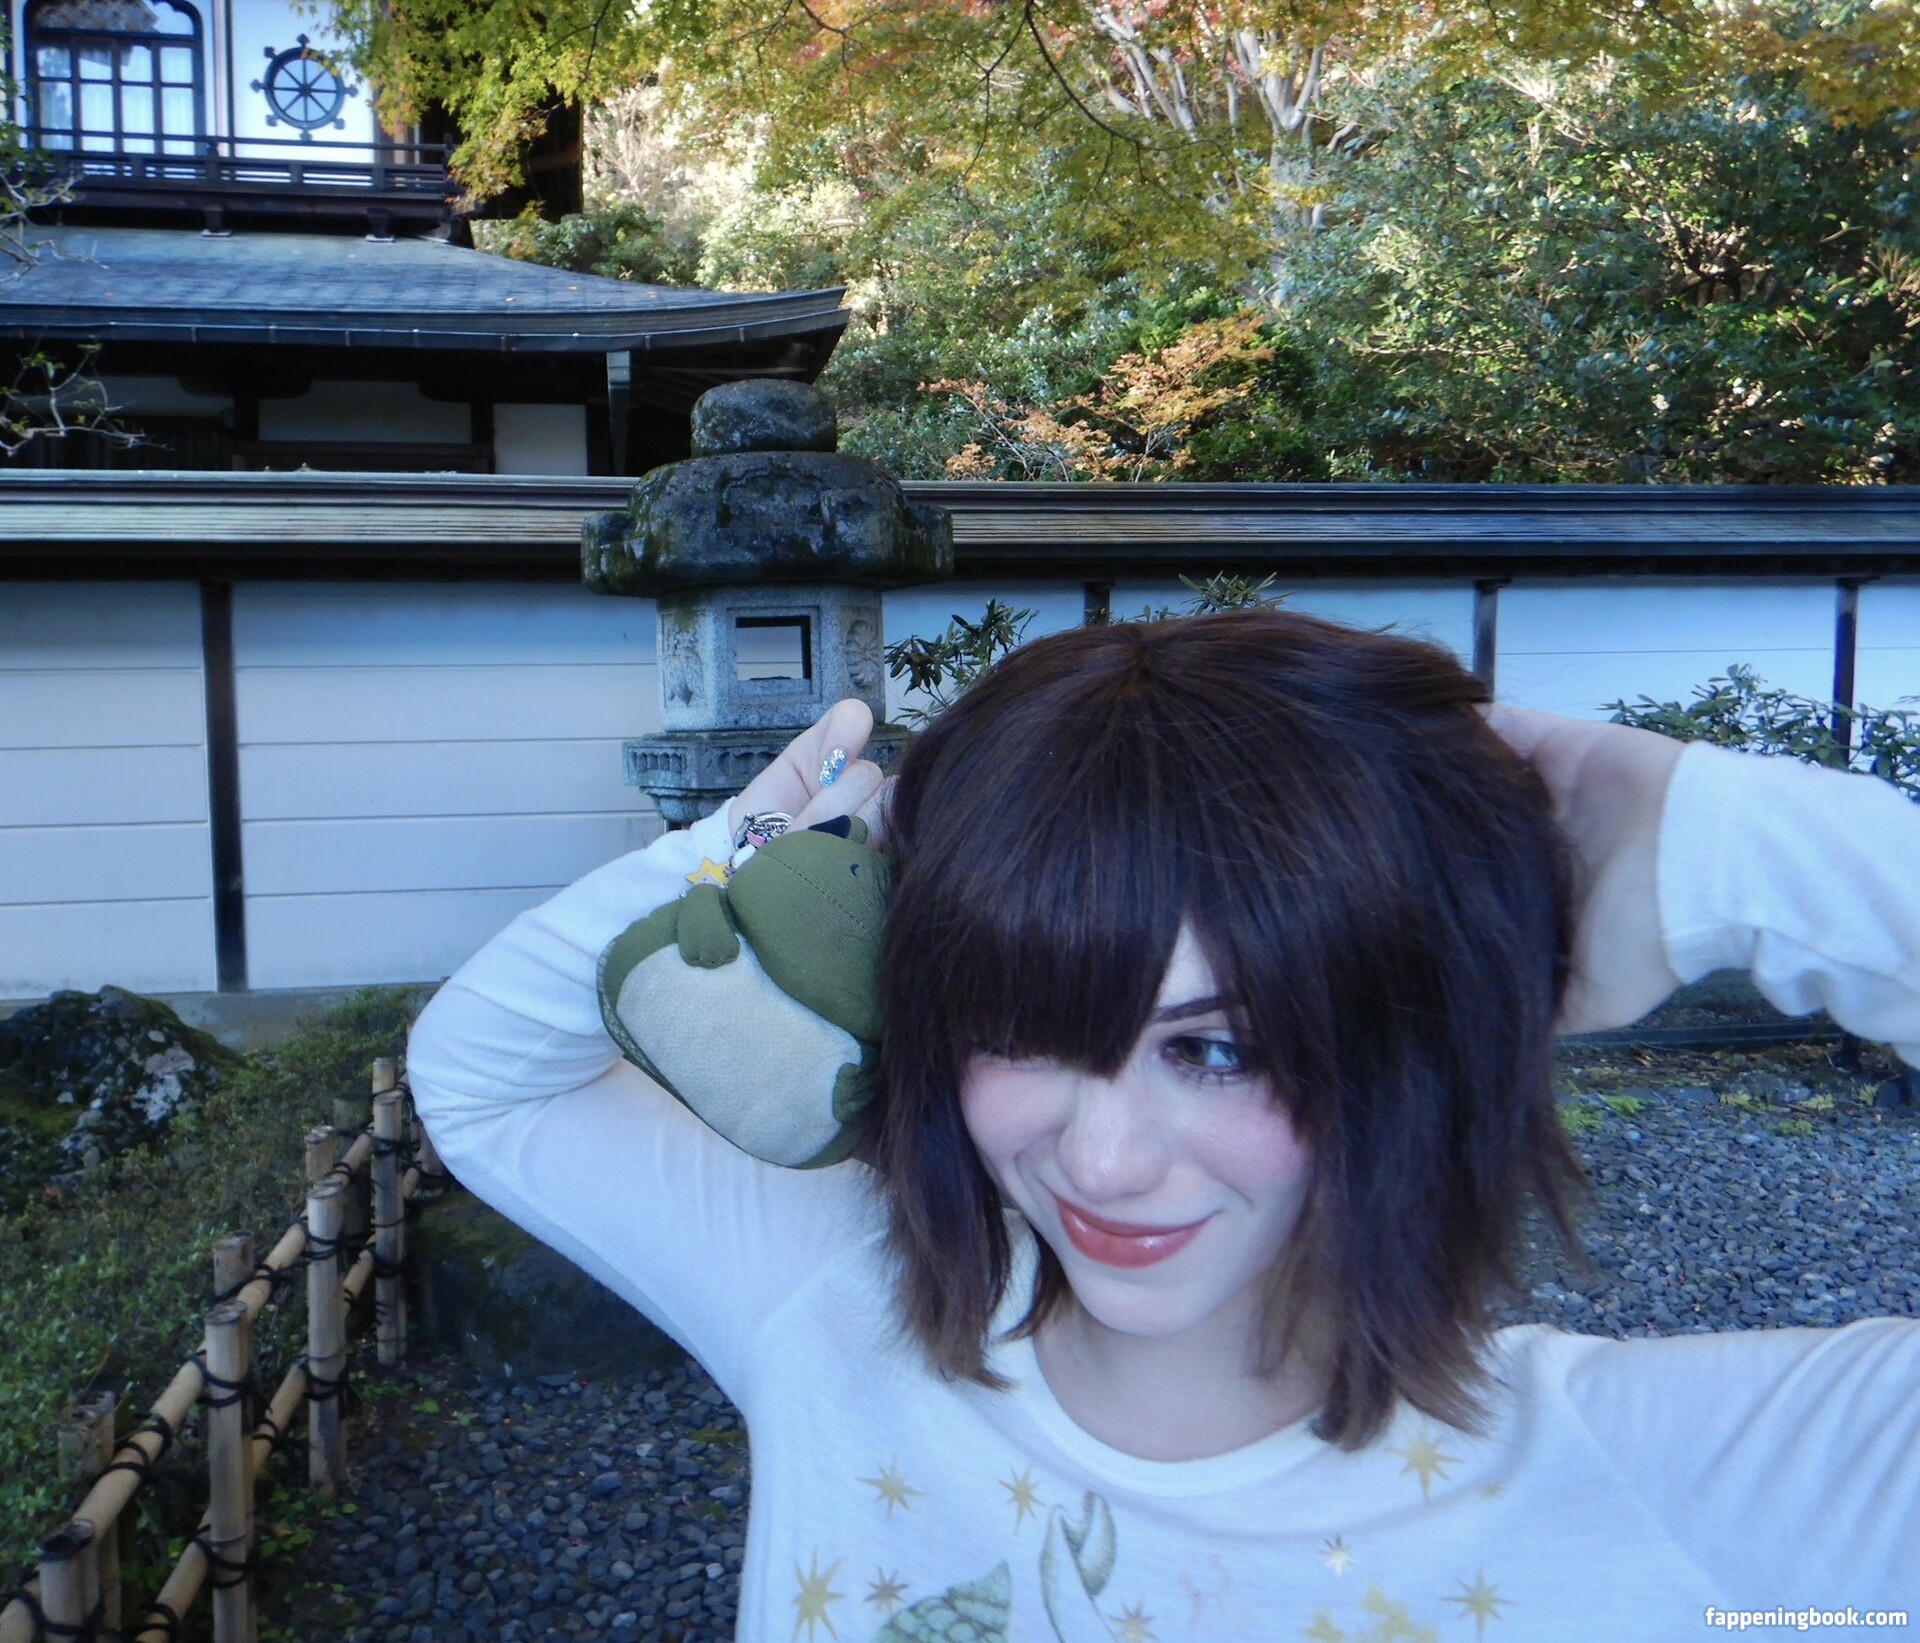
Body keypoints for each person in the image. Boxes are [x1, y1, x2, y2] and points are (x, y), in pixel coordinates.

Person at [407, 609, 1920, 1642]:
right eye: (1016, 1030)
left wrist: (1703, 848)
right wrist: (775, 852)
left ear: (1401, 1040)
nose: (1105, 1160)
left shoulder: (1707, 1486)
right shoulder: (832, 1315)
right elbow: (481, 1073)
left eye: (1218, 1050)